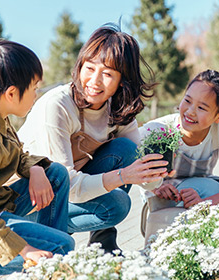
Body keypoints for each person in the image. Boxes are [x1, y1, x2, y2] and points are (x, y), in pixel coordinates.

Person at [18, 24, 170, 252]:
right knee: (116, 204)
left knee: (126, 150)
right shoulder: (57, 105)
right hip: (28, 202)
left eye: (108, 74)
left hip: (68, 192)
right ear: (80, 66)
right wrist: (122, 176)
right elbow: (66, 184)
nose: (94, 81)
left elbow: (138, 168)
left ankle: (102, 242)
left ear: (122, 80)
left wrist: (154, 174)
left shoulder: (118, 109)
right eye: (89, 68)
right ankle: (47, 235)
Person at [0, 39, 74, 279]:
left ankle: (47, 264)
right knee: (62, 249)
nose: (36, 95)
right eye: (34, 88)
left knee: (56, 175)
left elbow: (16, 155)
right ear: (11, 93)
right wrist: (27, 250)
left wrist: (36, 170)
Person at [138, 69, 219, 208]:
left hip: (202, 184)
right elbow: (127, 162)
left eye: (201, 108)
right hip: (165, 192)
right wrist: (156, 187)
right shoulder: (159, 129)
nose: (190, 112)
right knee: (210, 189)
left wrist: (208, 203)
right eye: (187, 100)